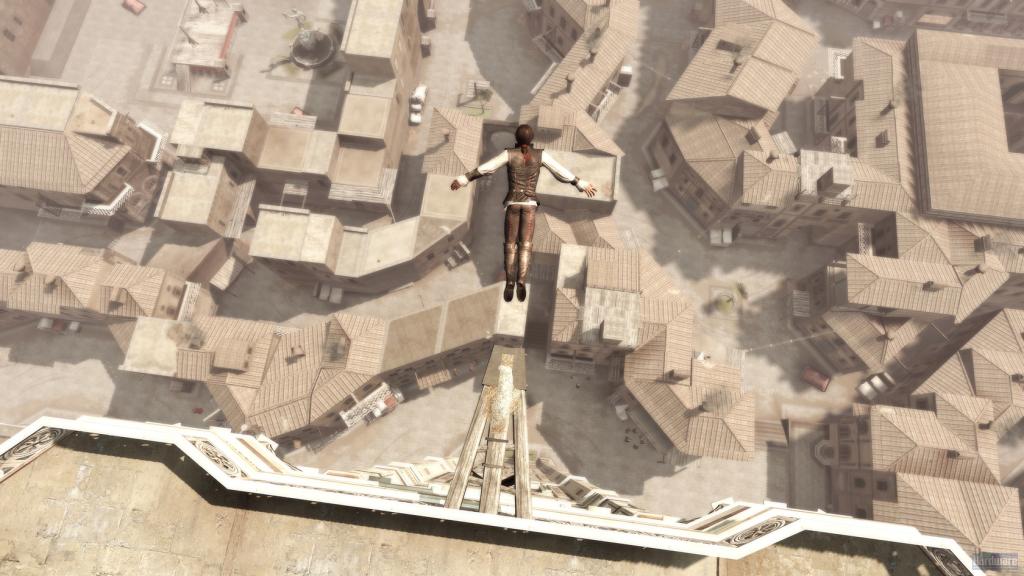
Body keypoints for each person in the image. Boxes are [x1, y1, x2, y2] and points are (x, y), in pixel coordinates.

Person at [451, 124, 597, 302]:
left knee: (510, 244)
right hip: (529, 204)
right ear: (531, 138)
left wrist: (465, 178)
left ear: (517, 138)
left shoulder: (509, 154)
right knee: (526, 244)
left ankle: (510, 281)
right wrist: (579, 182)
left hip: (513, 203)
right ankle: (521, 280)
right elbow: (560, 172)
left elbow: (487, 168)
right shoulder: (541, 155)